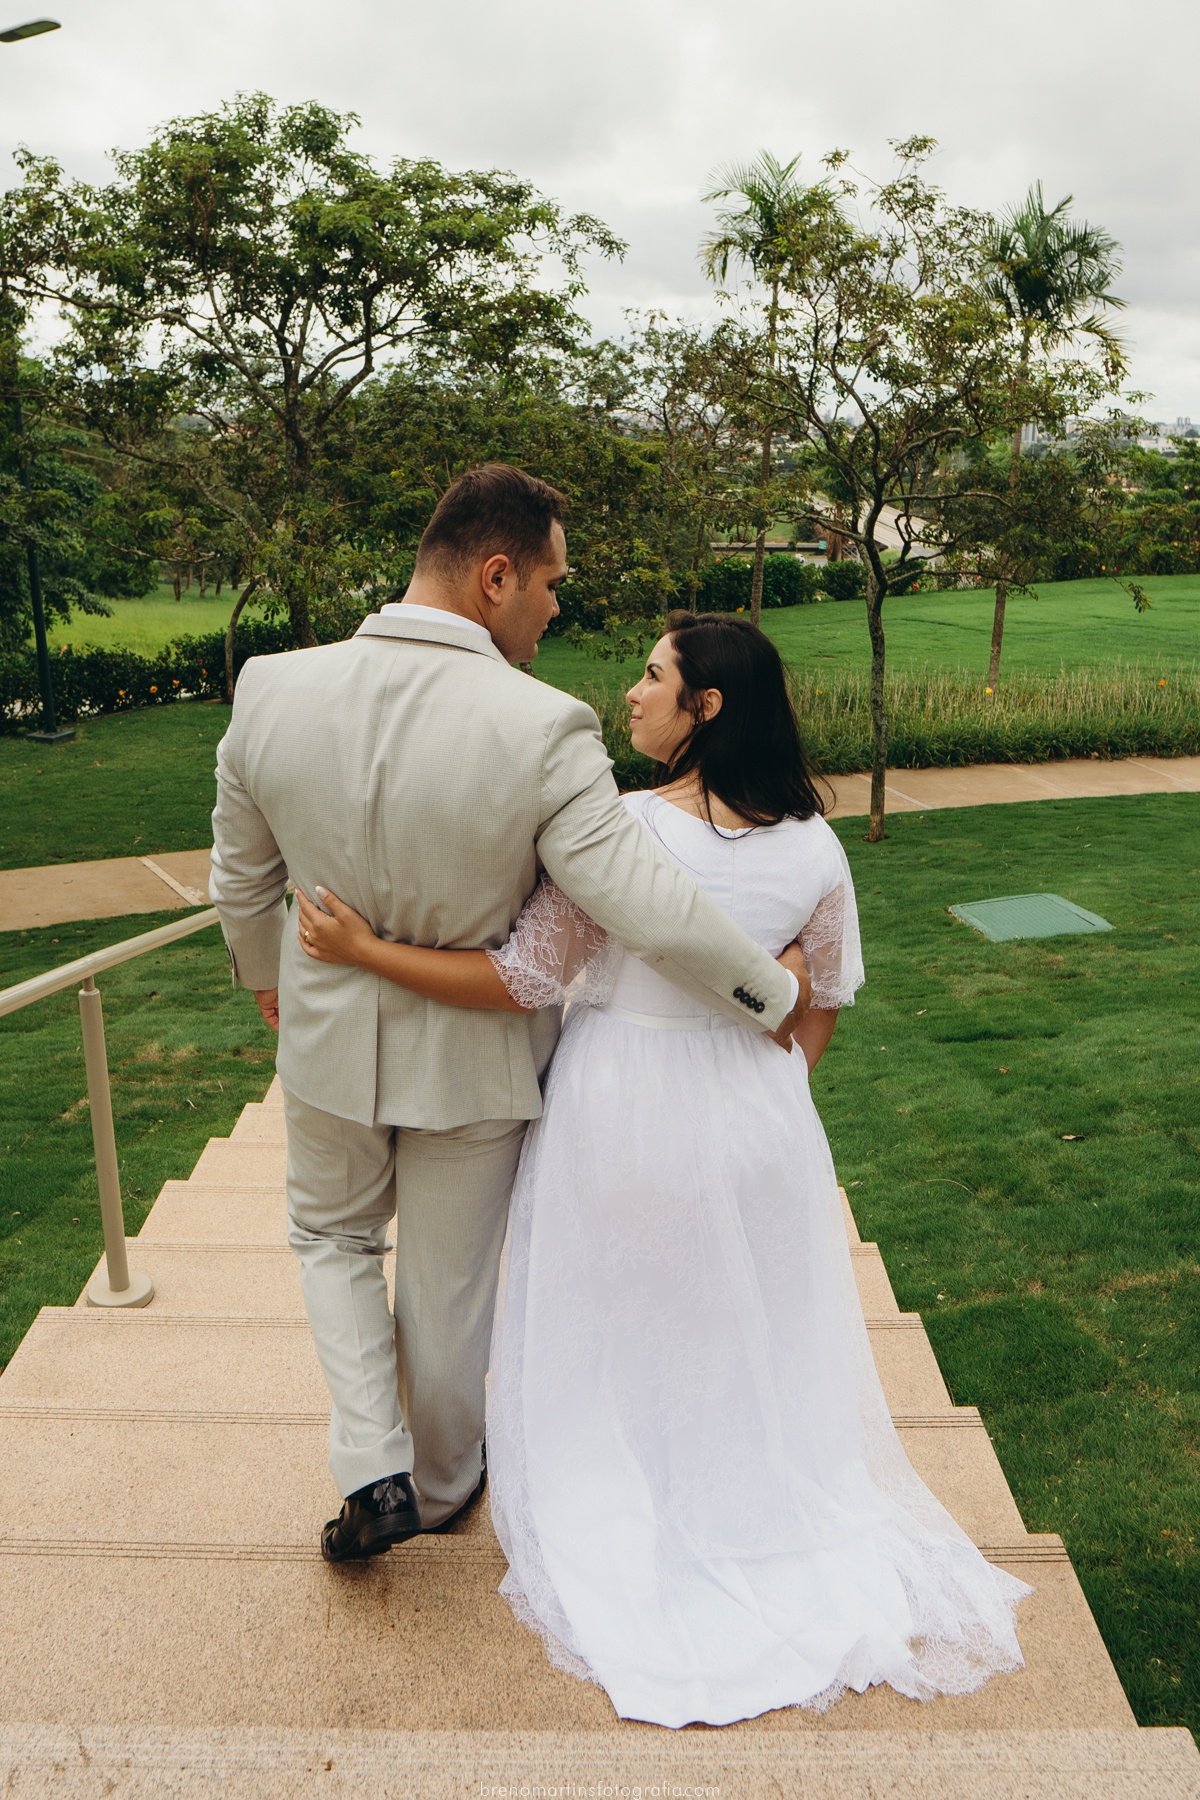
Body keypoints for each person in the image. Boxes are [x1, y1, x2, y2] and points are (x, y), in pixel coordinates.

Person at [295, 610, 1031, 1728]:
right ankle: (738, 1497)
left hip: (618, 1110)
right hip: (759, 1124)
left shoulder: (623, 830)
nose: (631, 693)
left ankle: (636, 1502)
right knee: (735, 1326)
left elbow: (521, 980)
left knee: (614, 1321)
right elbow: (815, 1007)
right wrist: (760, 1097)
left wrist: (361, 951)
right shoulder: (820, 847)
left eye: (653, 677)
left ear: (706, 708)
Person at [209, 468, 809, 1565]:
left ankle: (370, 1467)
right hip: (475, 1065)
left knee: (332, 1241)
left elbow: (239, 880)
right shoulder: (545, 726)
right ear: (497, 576)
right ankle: (438, 1486)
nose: (556, 606)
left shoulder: (270, 689)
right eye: (551, 584)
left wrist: (272, 984)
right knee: (447, 1291)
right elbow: (639, 898)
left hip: (326, 1043)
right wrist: (771, 992)